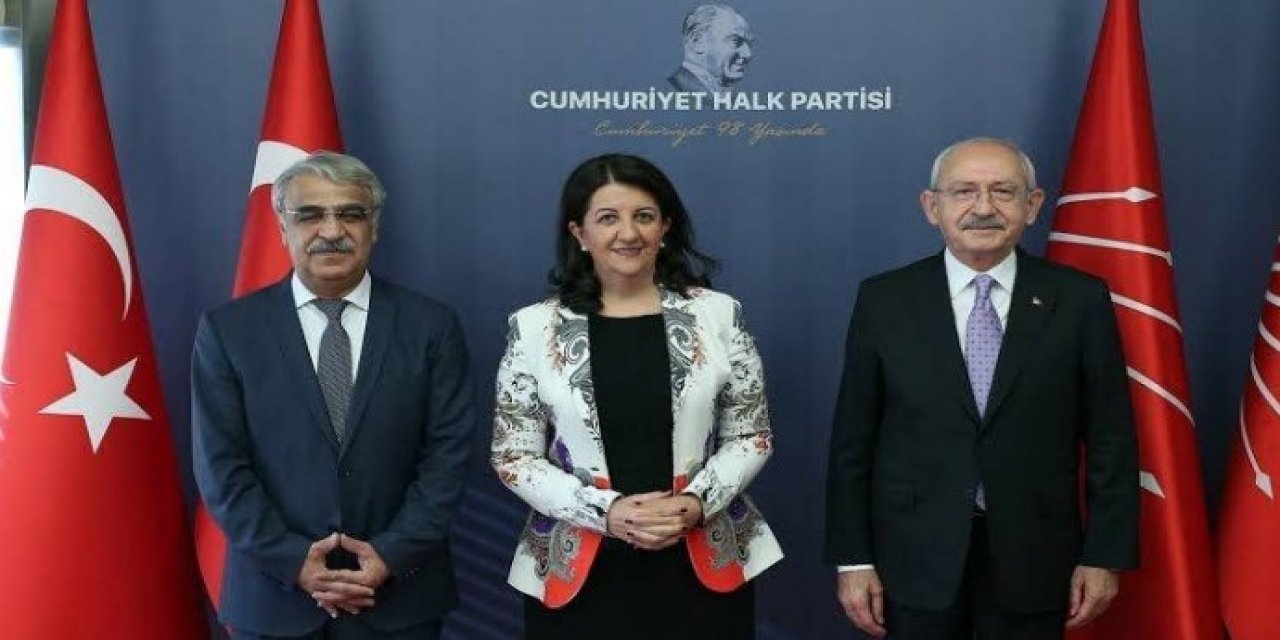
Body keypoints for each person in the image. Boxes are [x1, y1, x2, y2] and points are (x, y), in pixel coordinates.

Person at [824, 138, 1139, 639]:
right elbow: (853, 441)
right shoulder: (885, 300)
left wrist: (1103, 555)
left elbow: (1111, 439)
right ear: (933, 207)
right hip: (912, 556)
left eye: (1003, 192)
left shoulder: (1079, 299)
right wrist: (853, 559)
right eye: (964, 191)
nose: (984, 207)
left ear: (1032, 205)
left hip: (1036, 556)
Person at [492, 153, 782, 639]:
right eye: (608, 218)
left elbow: (751, 436)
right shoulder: (533, 328)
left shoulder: (719, 315)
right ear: (579, 233)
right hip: (581, 573)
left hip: (702, 566)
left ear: (665, 227)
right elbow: (513, 456)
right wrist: (607, 513)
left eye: (644, 216)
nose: (628, 233)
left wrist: (696, 503)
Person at [192, 151, 475, 639]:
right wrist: (293, 561)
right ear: (282, 228)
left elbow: (447, 459)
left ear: (374, 227)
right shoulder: (228, 331)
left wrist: (391, 554)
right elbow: (220, 467)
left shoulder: (432, 326)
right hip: (274, 600)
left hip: (400, 600)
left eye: (350, 214)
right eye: (309, 215)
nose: (331, 230)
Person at [668, 4, 754, 93]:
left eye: (749, 44)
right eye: (735, 41)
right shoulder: (674, 91)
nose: (748, 54)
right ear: (697, 41)